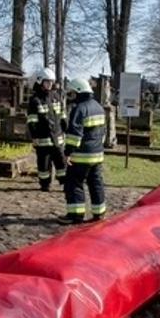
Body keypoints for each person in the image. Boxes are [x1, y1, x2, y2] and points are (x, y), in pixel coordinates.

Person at [59, 78, 107, 225]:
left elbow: (74, 136)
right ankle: (99, 213)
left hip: (81, 156)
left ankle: (76, 215)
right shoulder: (99, 107)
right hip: (97, 155)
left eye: (72, 93)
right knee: (96, 183)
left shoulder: (79, 109)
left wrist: (67, 153)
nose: (70, 96)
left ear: (79, 92)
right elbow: (103, 132)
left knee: (74, 184)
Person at [27, 67, 67, 192]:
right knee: (44, 164)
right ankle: (45, 184)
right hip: (43, 139)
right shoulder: (35, 100)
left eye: (51, 82)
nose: (50, 84)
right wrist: (34, 137)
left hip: (57, 137)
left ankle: (65, 183)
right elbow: (32, 122)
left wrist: (65, 130)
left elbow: (63, 116)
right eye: (47, 81)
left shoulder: (56, 97)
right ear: (40, 82)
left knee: (61, 162)